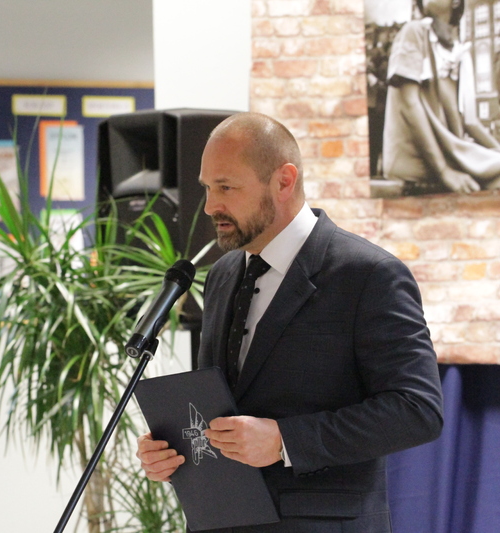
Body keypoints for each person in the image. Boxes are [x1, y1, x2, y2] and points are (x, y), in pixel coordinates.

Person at [136, 112, 444, 532]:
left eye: (226, 187)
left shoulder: (368, 275)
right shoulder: (222, 275)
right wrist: (175, 449)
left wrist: (285, 440)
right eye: (207, 188)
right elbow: (222, 407)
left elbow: (417, 410)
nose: (210, 206)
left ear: (284, 181)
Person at [382, 0, 500, 194]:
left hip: (453, 158)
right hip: (418, 162)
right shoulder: (414, 32)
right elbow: (409, 104)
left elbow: (470, 121)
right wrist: (444, 171)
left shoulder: (461, 53)